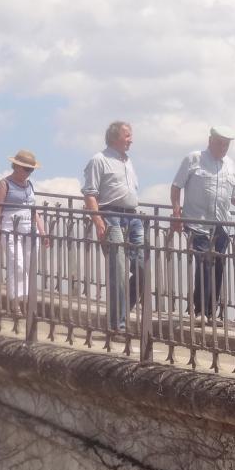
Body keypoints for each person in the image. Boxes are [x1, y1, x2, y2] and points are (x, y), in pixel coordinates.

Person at [171, 127, 235, 322]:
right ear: (210, 140)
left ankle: (210, 312)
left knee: (217, 266)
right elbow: (176, 186)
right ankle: (199, 310)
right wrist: (177, 212)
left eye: (227, 144)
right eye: (220, 143)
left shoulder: (229, 164)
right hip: (198, 221)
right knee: (205, 263)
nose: (223, 147)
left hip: (221, 224)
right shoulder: (194, 159)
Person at [82, 121, 142, 333]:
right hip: (111, 216)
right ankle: (118, 325)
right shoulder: (99, 160)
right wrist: (98, 221)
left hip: (133, 217)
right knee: (118, 271)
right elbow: (90, 194)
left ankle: (121, 311)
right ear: (115, 137)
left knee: (143, 269)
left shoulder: (128, 161)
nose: (131, 140)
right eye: (128, 136)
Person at [0, 150, 48, 315]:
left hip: (30, 229)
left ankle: (27, 301)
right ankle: (15, 302)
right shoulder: (4, 184)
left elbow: (34, 210)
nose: (29, 173)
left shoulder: (29, 185)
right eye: (27, 169)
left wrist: (43, 232)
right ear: (17, 167)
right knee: (17, 263)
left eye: (31, 170)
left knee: (30, 265)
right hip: (10, 229)